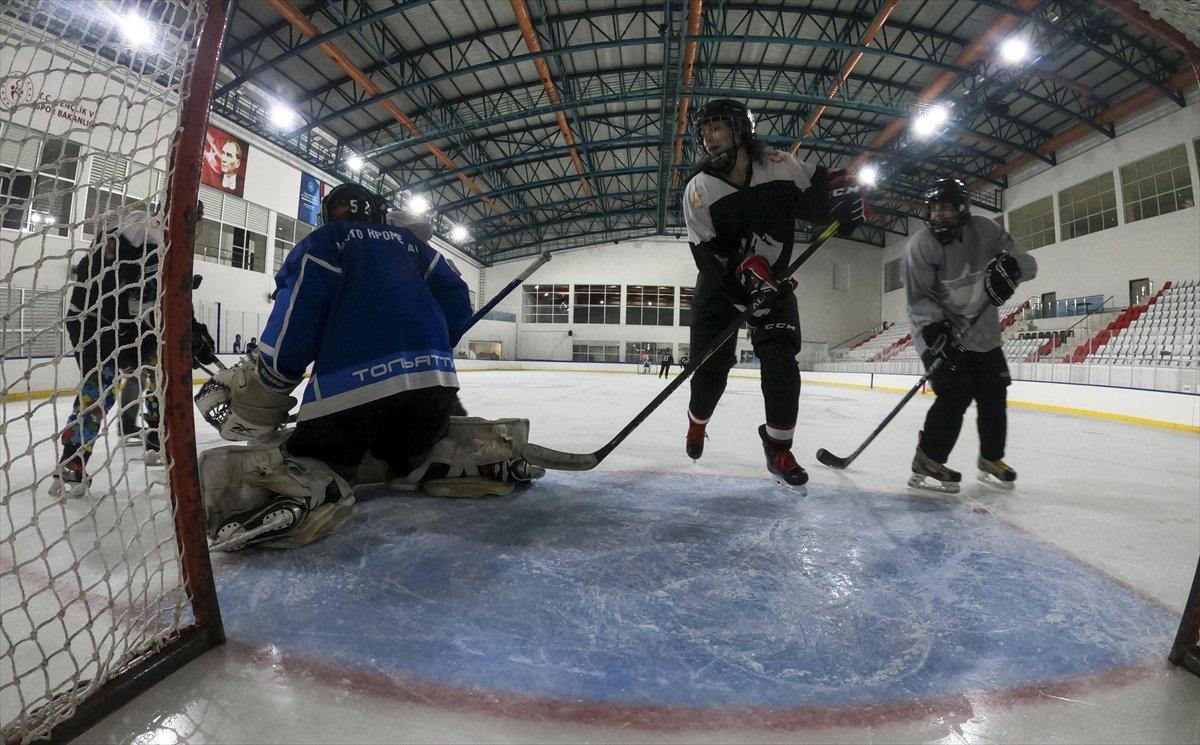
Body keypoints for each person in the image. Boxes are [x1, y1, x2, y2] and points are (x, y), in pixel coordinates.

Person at [194, 184, 541, 550]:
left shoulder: (327, 242)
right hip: (434, 387)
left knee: (316, 455)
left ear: (329, 215)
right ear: (378, 212)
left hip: (352, 391)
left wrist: (272, 377)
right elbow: (456, 296)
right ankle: (444, 459)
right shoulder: (416, 247)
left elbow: (298, 317)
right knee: (414, 447)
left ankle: (310, 490)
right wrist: (433, 341)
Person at [681, 99, 865, 493]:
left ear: (740, 129)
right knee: (710, 375)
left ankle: (778, 447)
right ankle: (697, 425)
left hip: (773, 282)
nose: (709, 138)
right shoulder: (698, 190)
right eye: (705, 131)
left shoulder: (781, 165)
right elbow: (705, 256)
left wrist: (844, 201)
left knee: (782, 360)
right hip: (723, 287)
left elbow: (821, 192)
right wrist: (741, 273)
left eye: (717, 127)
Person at [905, 178, 1038, 494]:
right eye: (934, 209)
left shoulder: (986, 230)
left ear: (962, 209)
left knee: (995, 392)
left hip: (983, 333)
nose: (939, 215)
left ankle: (991, 458)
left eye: (946, 208)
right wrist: (936, 331)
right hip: (937, 331)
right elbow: (918, 299)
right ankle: (929, 459)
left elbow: (1028, 264)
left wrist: (1011, 269)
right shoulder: (920, 247)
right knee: (955, 392)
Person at [51, 212, 163, 495]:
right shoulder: (109, 263)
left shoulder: (148, 248)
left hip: (133, 335)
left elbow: (156, 302)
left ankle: (154, 440)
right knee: (99, 391)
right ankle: (73, 461)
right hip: (104, 333)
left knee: (158, 381)